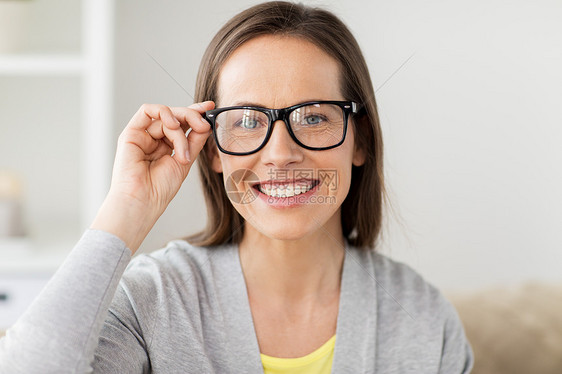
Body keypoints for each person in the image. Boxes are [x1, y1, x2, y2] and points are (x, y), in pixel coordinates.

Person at [0, 2, 474, 373]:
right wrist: (127, 208)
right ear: (212, 150)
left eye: (313, 117)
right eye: (247, 121)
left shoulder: (423, 321)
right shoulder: (153, 300)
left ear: (360, 141)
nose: (280, 154)